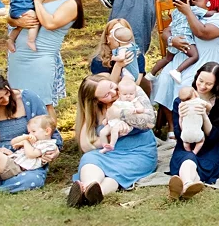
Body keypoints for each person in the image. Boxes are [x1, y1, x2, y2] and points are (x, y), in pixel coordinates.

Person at [68, 74, 158, 207]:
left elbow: (150, 121)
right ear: (96, 101)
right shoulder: (95, 109)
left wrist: (120, 114)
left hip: (138, 151)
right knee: (89, 158)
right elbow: (86, 145)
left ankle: (91, 195)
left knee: (114, 176)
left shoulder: (130, 91)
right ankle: (87, 189)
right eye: (106, 95)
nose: (113, 92)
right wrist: (110, 138)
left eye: (111, 86)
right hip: (110, 152)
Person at [151, 0, 219, 115]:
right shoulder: (185, 14)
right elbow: (166, 31)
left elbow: (202, 32)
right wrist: (171, 40)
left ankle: (190, 120)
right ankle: (171, 128)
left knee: (186, 85)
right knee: (164, 80)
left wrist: (188, 13)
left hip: (206, 61)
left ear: (209, 1)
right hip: (183, 58)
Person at [167, 62, 219, 198]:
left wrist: (204, 114)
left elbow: (214, 137)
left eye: (208, 84)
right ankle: (189, 184)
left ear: (216, 85)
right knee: (188, 159)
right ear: (196, 78)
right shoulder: (181, 100)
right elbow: (179, 134)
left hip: (209, 149)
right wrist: (181, 118)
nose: (202, 86)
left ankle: (186, 185)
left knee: (203, 164)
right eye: (200, 81)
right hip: (186, 146)